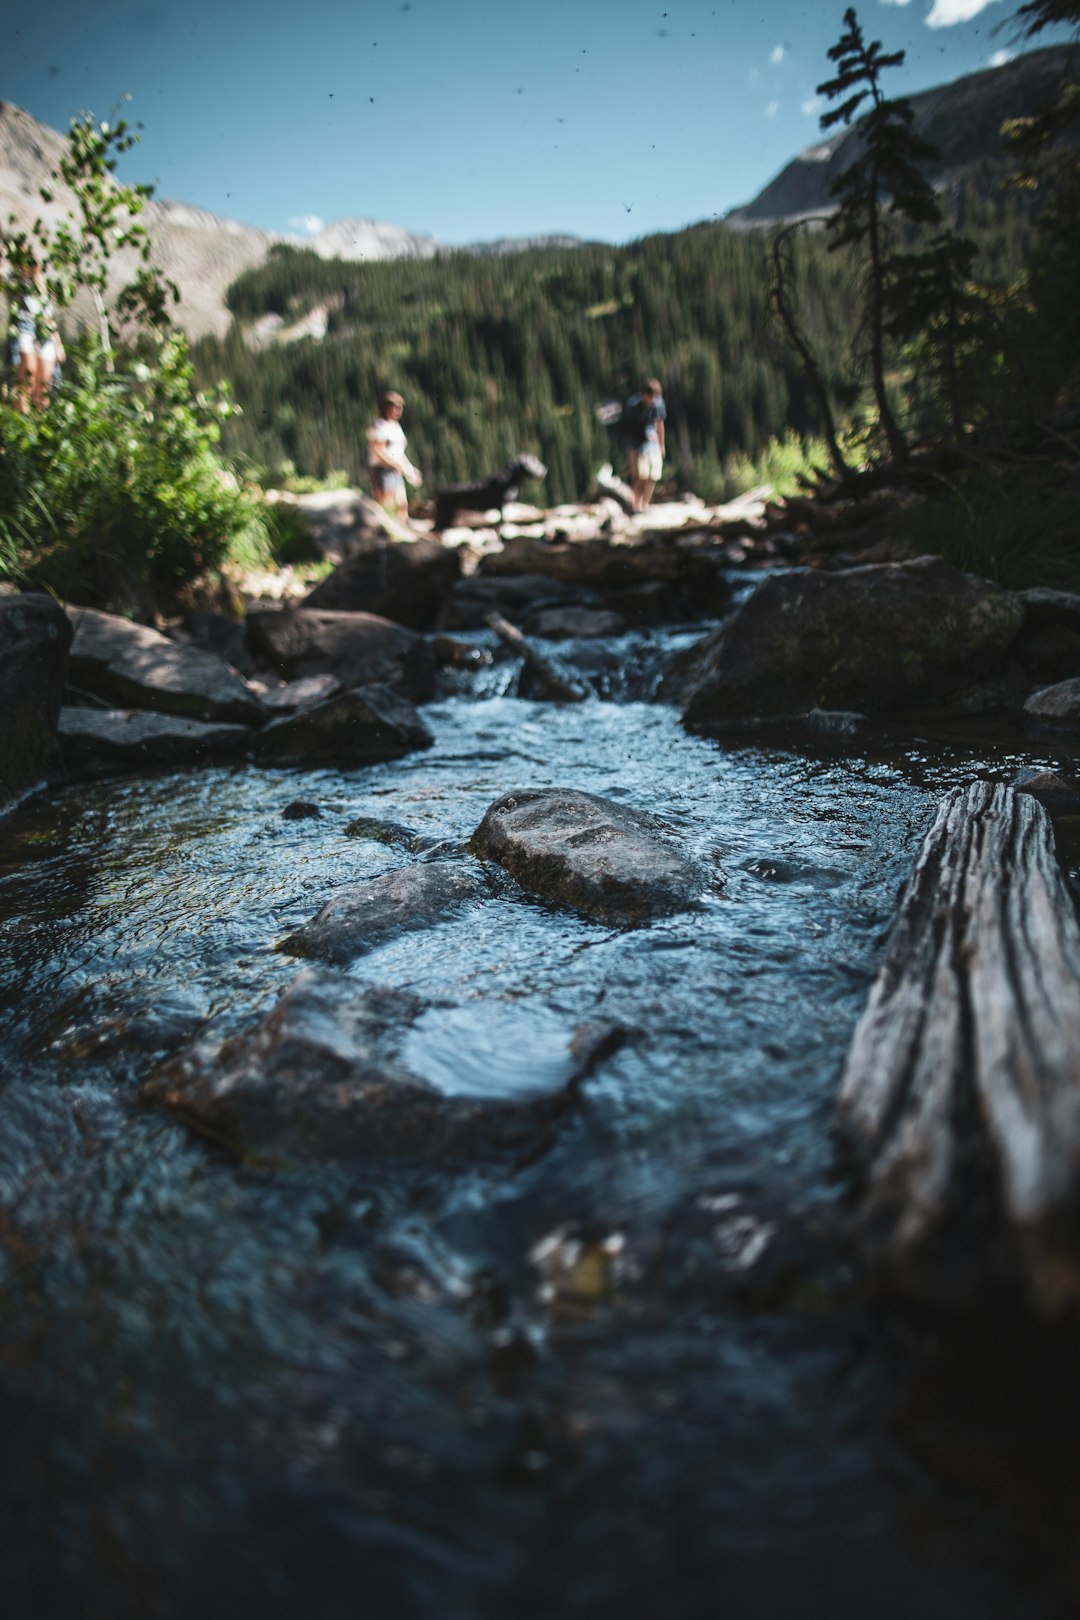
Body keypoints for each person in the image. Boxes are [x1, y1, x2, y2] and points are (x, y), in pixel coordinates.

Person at [9, 258, 65, 413]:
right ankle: (21, 424)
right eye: (27, 264)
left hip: (45, 335)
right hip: (25, 328)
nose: (30, 268)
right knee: (26, 380)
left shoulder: (42, 288)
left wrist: (58, 343)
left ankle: (39, 429)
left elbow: (49, 317)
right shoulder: (15, 282)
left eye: (33, 264)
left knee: (43, 388)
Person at [367, 390, 422, 520]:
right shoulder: (379, 425)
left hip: (395, 470)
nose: (399, 411)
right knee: (387, 507)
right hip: (383, 470)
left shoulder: (395, 426)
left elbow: (399, 453)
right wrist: (399, 466)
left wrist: (409, 469)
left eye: (400, 408)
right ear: (386, 408)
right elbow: (379, 451)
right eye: (396, 407)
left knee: (402, 506)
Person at [623, 377, 666, 513]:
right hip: (638, 445)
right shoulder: (632, 407)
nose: (653, 401)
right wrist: (631, 454)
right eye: (651, 397)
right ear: (643, 395)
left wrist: (661, 444)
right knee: (641, 475)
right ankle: (636, 505)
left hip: (653, 445)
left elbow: (660, 425)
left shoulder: (658, 404)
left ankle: (645, 504)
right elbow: (627, 431)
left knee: (653, 476)